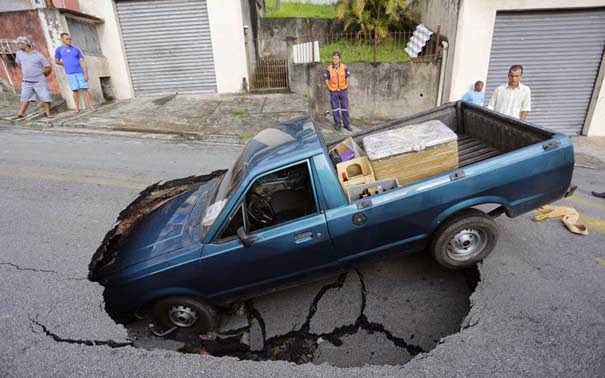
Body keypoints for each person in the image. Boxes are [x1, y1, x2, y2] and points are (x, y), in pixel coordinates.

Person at [54, 32, 95, 112]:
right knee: (75, 90)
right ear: (62, 39)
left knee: (85, 89)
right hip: (70, 73)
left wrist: (86, 73)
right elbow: (57, 61)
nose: (69, 40)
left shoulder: (76, 49)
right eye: (67, 39)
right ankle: (77, 107)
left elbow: (82, 61)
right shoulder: (59, 50)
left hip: (79, 72)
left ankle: (91, 106)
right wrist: (66, 64)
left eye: (70, 39)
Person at [14, 36, 53, 119]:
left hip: (39, 80)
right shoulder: (19, 53)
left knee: (45, 96)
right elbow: (19, 64)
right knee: (25, 96)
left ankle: (48, 112)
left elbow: (48, 67)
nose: (18, 45)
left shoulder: (38, 56)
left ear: (26, 44)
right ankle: (21, 112)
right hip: (26, 80)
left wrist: (43, 75)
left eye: (19, 44)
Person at [323, 52, 351, 131]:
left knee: (345, 108)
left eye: (336, 59)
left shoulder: (344, 67)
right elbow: (326, 79)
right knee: (335, 109)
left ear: (339, 59)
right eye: (333, 58)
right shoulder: (329, 68)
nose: (334, 60)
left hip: (343, 91)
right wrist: (330, 88)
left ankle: (347, 124)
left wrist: (346, 86)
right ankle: (338, 124)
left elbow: (347, 77)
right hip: (334, 91)